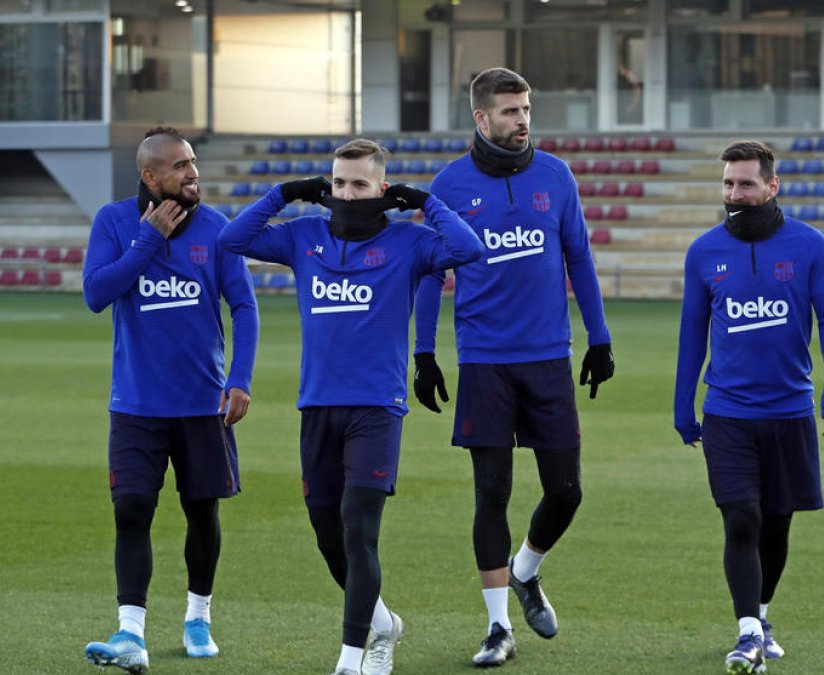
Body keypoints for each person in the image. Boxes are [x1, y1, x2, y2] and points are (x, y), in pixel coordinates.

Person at [218, 138, 484, 675]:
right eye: (338, 184)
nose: (346, 193)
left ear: (381, 191)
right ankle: (384, 621)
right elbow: (231, 239)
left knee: (358, 528)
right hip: (317, 406)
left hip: (376, 410)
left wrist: (425, 201)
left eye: (359, 185)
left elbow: (468, 248)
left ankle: (352, 656)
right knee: (326, 533)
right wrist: (285, 193)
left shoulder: (409, 243)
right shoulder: (303, 237)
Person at [411, 67, 615, 668]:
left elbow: (578, 256)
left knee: (567, 491)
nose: (522, 120)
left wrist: (598, 340)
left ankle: (526, 571)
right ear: (481, 118)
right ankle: (498, 627)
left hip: (548, 357)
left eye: (526, 109)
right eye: (509, 111)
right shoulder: (448, 184)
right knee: (491, 492)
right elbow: (429, 272)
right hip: (484, 361)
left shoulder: (556, 175)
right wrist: (424, 353)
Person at [82, 127, 259, 672]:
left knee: (200, 511)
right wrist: (148, 242)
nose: (192, 173)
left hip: (202, 405)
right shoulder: (114, 223)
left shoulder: (216, 227)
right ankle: (130, 631)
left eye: (193, 162)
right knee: (131, 510)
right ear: (149, 175)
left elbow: (245, 308)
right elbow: (96, 294)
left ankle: (198, 614)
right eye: (180, 166)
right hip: (135, 405)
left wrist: (241, 378)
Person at [674, 140, 824, 675]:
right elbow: (691, 335)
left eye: (745, 184)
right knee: (741, 518)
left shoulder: (810, 245)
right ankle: (748, 631)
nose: (734, 193)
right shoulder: (704, 251)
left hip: (791, 410)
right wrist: (684, 407)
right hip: (728, 412)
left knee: (777, 524)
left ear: (772, 187)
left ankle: (762, 616)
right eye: (728, 183)